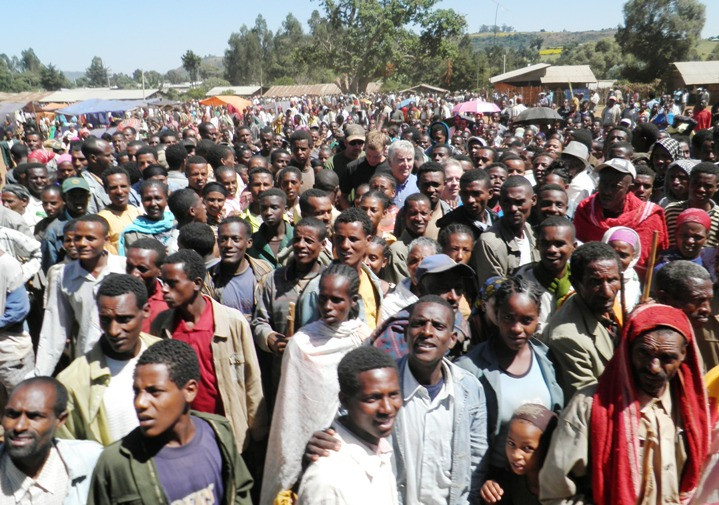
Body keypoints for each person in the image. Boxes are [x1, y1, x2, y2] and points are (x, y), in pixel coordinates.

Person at [539, 304, 709, 505]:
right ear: (628, 350)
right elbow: (555, 495)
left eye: (667, 358)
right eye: (644, 353)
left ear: (683, 355)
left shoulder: (692, 411)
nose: (654, 367)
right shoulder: (589, 406)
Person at [88, 339, 253, 505]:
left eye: (154, 392)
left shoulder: (218, 433)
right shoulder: (115, 464)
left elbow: (239, 491)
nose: (140, 403)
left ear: (189, 390)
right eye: (137, 392)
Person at [261, 264, 371, 504]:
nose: (328, 306)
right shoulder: (301, 343)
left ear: (353, 301)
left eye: (337, 300)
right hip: (305, 447)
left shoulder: (364, 340)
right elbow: (290, 415)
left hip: (349, 445)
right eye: (323, 299)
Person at [150, 249, 266, 451]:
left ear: (196, 283)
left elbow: (251, 380)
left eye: (172, 283)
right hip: (185, 434)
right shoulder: (162, 326)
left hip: (228, 431)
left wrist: (259, 434)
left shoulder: (232, 322)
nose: (165, 290)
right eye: (163, 283)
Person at [457, 277, 563, 486]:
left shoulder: (547, 359)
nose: (516, 328)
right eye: (508, 318)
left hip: (540, 482)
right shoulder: (471, 368)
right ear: (496, 315)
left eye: (526, 320)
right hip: (496, 486)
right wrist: (483, 480)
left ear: (537, 318)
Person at [56, 274, 160, 445]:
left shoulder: (165, 356)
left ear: (146, 311)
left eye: (124, 319)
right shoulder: (72, 382)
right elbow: (68, 448)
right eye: (105, 320)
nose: (113, 330)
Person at [296, 346, 401, 505]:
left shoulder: (380, 452)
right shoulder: (326, 478)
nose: (387, 408)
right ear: (345, 400)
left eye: (393, 395)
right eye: (372, 398)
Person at [36, 215, 127, 376]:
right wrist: (41, 375)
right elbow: (54, 327)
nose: (82, 244)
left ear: (106, 240)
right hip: (87, 362)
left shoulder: (124, 268)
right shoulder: (64, 275)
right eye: (77, 238)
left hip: (124, 361)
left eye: (90, 238)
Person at [0, 377, 103, 505]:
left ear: (60, 420)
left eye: (34, 416)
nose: (19, 426)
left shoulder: (92, 462)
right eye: (12, 414)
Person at [542, 242, 622, 399]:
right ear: (576, 284)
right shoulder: (566, 339)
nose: (607, 292)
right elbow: (587, 400)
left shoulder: (604, 306)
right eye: (595, 282)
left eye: (612, 280)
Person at [573, 157, 668, 275]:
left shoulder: (649, 216)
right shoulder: (585, 209)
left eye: (615, 186)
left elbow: (654, 260)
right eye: (603, 184)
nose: (607, 191)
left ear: (630, 189)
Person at [296, 207, 383, 330]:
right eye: (339, 239)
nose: (345, 245)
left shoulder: (373, 281)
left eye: (353, 239)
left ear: (368, 240)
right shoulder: (317, 288)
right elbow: (309, 335)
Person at [478, 404, 558, 505]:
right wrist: (490, 496)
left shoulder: (561, 487)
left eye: (527, 448)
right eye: (511, 443)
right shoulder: (508, 483)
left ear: (546, 447)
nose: (515, 455)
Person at [472, 176, 540, 286]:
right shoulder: (489, 242)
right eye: (507, 202)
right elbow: (493, 290)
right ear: (500, 202)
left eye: (519, 202)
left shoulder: (533, 233)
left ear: (533, 200)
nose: (513, 208)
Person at [514, 216, 576, 333]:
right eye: (545, 243)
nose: (552, 250)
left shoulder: (580, 282)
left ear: (574, 247)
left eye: (559, 244)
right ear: (537, 245)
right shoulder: (521, 283)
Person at [655, 260, 718, 370]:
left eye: (709, 300)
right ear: (664, 298)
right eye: (697, 300)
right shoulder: (650, 345)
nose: (707, 309)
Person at [210, 216, 273, 320]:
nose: (228, 245)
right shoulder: (209, 278)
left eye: (236, 239)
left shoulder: (265, 271)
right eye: (223, 239)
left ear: (249, 243)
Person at [664, 162, 719, 248]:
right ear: (689, 183)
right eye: (696, 184)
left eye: (708, 186)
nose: (701, 189)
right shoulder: (671, 211)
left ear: (717, 187)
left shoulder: (718, 217)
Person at [436, 167, 497, 240]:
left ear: (490, 194)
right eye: (465, 194)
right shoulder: (450, 228)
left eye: (476, 194)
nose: (470, 200)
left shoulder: (498, 222)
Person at [125, 238, 169, 333]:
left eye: (142, 269)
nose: (134, 274)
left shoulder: (167, 306)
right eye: (129, 266)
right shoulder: (116, 296)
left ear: (161, 270)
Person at [387, 193, 431, 284]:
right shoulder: (397, 251)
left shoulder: (431, 247)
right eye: (413, 213)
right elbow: (402, 287)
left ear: (430, 215)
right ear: (404, 215)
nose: (419, 218)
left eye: (423, 213)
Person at [97, 166, 142, 255]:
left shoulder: (136, 211)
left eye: (123, 186)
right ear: (106, 190)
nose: (119, 191)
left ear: (129, 187)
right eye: (113, 188)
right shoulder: (102, 220)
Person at [247, 188, 293, 267]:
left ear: (285, 209)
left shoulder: (298, 237)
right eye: (264, 208)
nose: (268, 213)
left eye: (274, 208)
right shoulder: (252, 242)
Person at [601, 226, 642, 313]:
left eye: (623, 255)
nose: (616, 260)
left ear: (633, 256)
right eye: (612, 253)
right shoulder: (594, 275)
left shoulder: (633, 280)